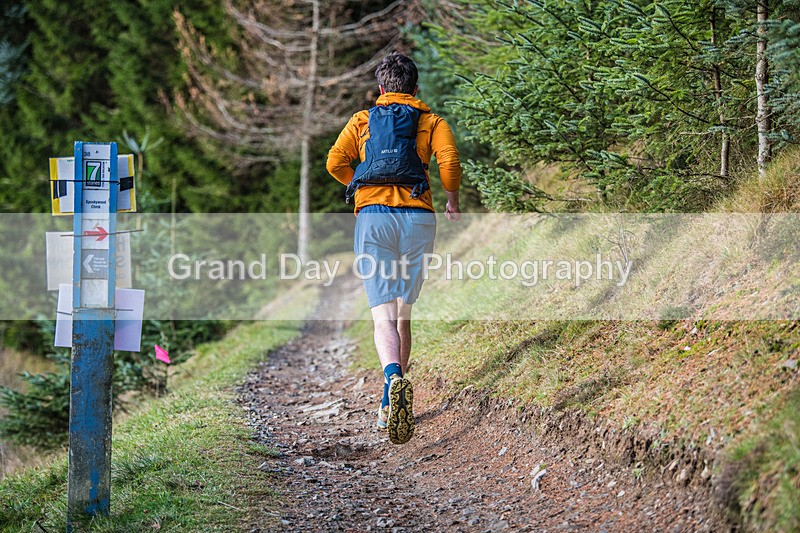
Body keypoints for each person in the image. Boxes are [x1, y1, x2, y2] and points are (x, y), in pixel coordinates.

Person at [326, 52, 462, 444]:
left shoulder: (363, 120)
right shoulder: (431, 120)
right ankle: (392, 399)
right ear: (415, 89)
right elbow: (449, 162)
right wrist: (451, 200)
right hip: (417, 218)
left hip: (374, 219)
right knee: (403, 312)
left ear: (382, 89)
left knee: (381, 314)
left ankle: (392, 384)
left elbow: (335, 163)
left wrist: (360, 185)